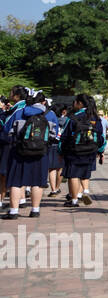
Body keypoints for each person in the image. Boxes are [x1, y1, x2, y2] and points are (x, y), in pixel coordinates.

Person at [5, 89, 53, 219]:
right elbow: (54, 134)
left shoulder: (19, 112)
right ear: (42, 101)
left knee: (16, 181)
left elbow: (6, 129)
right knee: (37, 182)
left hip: (19, 151)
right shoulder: (49, 114)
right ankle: (35, 210)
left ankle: (14, 212)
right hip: (41, 152)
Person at [61, 93, 105, 207]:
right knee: (85, 173)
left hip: (75, 151)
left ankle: (74, 200)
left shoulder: (73, 117)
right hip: (91, 150)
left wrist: (61, 151)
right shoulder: (96, 118)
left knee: (73, 175)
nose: (74, 104)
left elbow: (64, 136)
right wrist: (100, 150)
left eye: (75, 102)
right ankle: (85, 191)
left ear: (80, 103)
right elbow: (101, 136)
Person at [46, 103, 67, 196]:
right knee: (60, 168)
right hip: (61, 145)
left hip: (51, 144)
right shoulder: (66, 120)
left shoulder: (50, 117)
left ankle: (53, 189)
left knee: (51, 168)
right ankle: (58, 187)